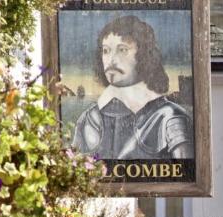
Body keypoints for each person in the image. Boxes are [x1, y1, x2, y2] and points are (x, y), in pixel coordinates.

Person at [72, 15, 193, 161]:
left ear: (144, 54)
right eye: (106, 50)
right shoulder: (88, 118)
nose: (111, 60)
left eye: (122, 50)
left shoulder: (170, 117)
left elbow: (184, 174)